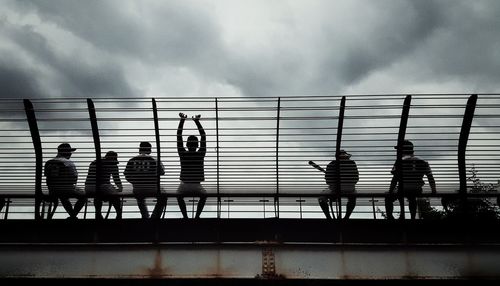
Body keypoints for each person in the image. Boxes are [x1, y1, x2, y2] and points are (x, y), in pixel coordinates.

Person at [385, 140, 437, 220]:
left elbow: (395, 179)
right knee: (412, 198)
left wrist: (390, 191)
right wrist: (434, 191)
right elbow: (430, 178)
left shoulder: (400, 161)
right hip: (417, 189)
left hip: (402, 189)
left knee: (388, 196)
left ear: (403, 150)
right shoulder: (423, 161)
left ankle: (391, 218)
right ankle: (412, 218)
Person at [177, 113, 207, 219]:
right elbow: (203, 136)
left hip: (184, 185)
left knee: (178, 196)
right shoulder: (200, 154)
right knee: (204, 196)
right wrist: (197, 121)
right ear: (198, 145)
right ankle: (197, 216)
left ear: (186, 144)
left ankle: (185, 216)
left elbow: (178, 136)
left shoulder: (183, 154)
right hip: (197, 185)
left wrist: (182, 120)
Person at [43, 143, 86, 219]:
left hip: (52, 190)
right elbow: (74, 178)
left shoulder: (48, 162)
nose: (70, 154)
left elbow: (47, 177)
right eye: (69, 151)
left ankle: (72, 216)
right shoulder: (67, 162)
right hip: (66, 189)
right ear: (64, 152)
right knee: (84, 196)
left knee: (63, 196)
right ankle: (73, 216)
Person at [124, 142, 166, 219]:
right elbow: (162, 172)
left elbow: (126, 174)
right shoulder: (155, 160)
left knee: (140, 198)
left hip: (138, 188)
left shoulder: (132, 160)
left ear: (140, 149)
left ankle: (145, 216)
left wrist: (134, 182)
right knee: (163, 197)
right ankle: (155, 217)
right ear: (149, 150)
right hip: (153, 188)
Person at [318, 150, 359, 219]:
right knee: (353, 198)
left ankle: (328, 217)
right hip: (349, 189)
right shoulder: (352, 163)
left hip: (334, 189)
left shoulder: (331, 164)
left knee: (321, 197)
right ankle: (346, 217)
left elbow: (328, 181)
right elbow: (356, 178)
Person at [85, 151, 123, 219]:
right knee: (116, 196)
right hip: (102, 186)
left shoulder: (94, 162)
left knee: (97, 196)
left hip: (89, 187)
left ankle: (98, 214)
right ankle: (119, 214)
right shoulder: (113, 165)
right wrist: (120, 187)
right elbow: (116, 178)